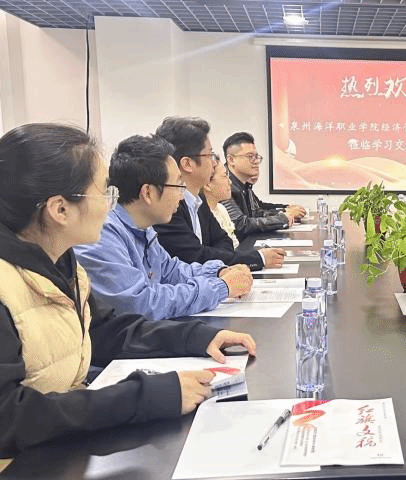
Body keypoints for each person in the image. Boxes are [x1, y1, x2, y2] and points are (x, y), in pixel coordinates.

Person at [0, 123, 256, 459]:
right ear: (60, 209)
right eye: (102, 193)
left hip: (56, 448)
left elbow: (105, 330)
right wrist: (143, 397)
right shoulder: (7, 285)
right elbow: (8, 417)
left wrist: (195, 337)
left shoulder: (63, 264)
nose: (110, 205)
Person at [75, 135, 252, 320]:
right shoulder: (102, 237)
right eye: (178, 186)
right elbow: (142, 303)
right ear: (148, 192)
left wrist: (218, 272)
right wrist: (221, 287)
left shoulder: (144, 229)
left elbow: (171, 271)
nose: (181, 197)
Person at [152, 117, 284, 269]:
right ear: (187, 164)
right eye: (209, 155)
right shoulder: (167, 206)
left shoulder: (198, 199)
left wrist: (216, 256)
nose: (214, 162)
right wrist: (258, 258)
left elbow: (223, 240)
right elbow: (195, 257)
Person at [222, 131, 306, 239]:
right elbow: (240, 225)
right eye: (250, 156)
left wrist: (285, 210)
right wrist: (283, 218)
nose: (256, 161)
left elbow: (257, 212)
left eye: (256, 156)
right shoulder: (223, 185)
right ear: (231, 160)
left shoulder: (244, 185)